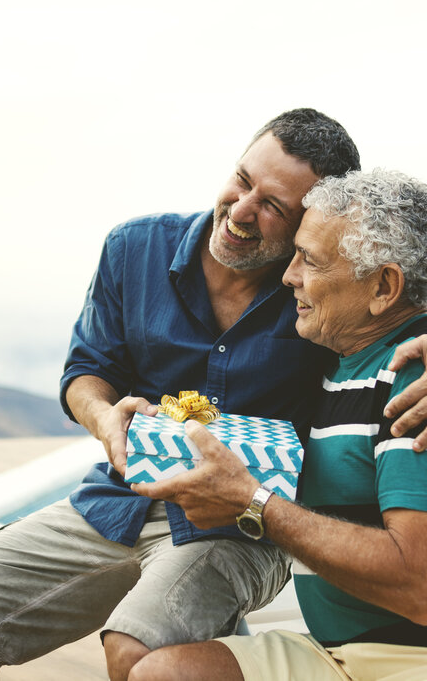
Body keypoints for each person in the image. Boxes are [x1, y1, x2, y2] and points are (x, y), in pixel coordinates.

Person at [0, 110, 427, 681]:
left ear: (311, 223)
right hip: (120, 497)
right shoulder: (135, 248)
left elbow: (399, 281)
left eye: (274, 207)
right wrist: (104, 418)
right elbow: (87, 368)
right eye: (242, 180)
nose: (241, 211)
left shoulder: (326, 293)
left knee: (138, 652)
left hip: (243, 526)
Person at [129, 169, 427, 681]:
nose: (288, 276)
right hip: (334, 650)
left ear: (383, 286)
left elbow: (417, 582)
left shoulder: (410, 380)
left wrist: (255, 505)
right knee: (161, 672)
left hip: (407, 657)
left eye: (309, 259)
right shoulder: (336, 361)